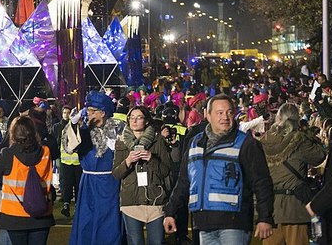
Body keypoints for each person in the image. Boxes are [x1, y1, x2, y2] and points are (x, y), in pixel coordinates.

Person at [163, 94, 274, 244]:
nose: (225, 117)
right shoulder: (195, 143)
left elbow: (262, 182)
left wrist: (264, 217)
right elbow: (184, 182)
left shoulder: (246, 143)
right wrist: (171, 212)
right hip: (203, 224)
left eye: (229, 112)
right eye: (219, 113)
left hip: (235, 223)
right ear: (207, 115)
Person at [0, 115, 56, 245]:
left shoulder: (8, 154)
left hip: (15, 216)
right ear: (34, 132)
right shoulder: (45, 152)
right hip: (42, 212)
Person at [260, 102, 324, 244]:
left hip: (271, 210)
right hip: (294, 208)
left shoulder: (265, 140)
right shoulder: (299, 139)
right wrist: (307, 132)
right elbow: (319, 155)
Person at [65, 90, 124, 245]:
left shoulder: (118, 128)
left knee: (109, 219)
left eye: (92, 111)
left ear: (102, 113)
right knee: (87, 218)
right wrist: (72, 124)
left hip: (110, 182)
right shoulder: (83, 130)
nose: (88, 114)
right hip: (89, 182)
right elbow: (69, 147)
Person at [112, 105, 171, 245]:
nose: (134, 121)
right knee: (135, 242)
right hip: (131, 202)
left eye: (139, 117)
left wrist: (151, 159)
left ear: (146, 121)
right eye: (132, 118)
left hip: (155, 201)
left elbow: (165, 171)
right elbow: (116, 174)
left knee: (157, 242)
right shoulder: (121, 143)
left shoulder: (158, 142)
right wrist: (128, 161)